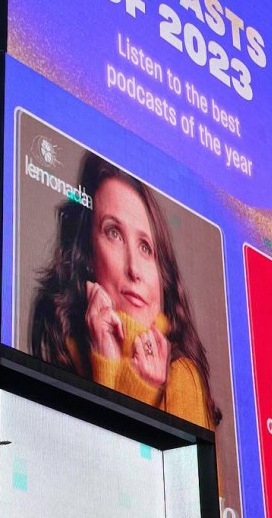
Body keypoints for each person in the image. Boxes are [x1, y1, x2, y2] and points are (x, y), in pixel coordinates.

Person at [30, 154, 221, 431]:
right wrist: (106, 358)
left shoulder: (181, 377)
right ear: (86, 255)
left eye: (146, 247)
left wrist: (138, 387)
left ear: (161, 271)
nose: (135, 269)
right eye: (114, 233)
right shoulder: (61, 348)